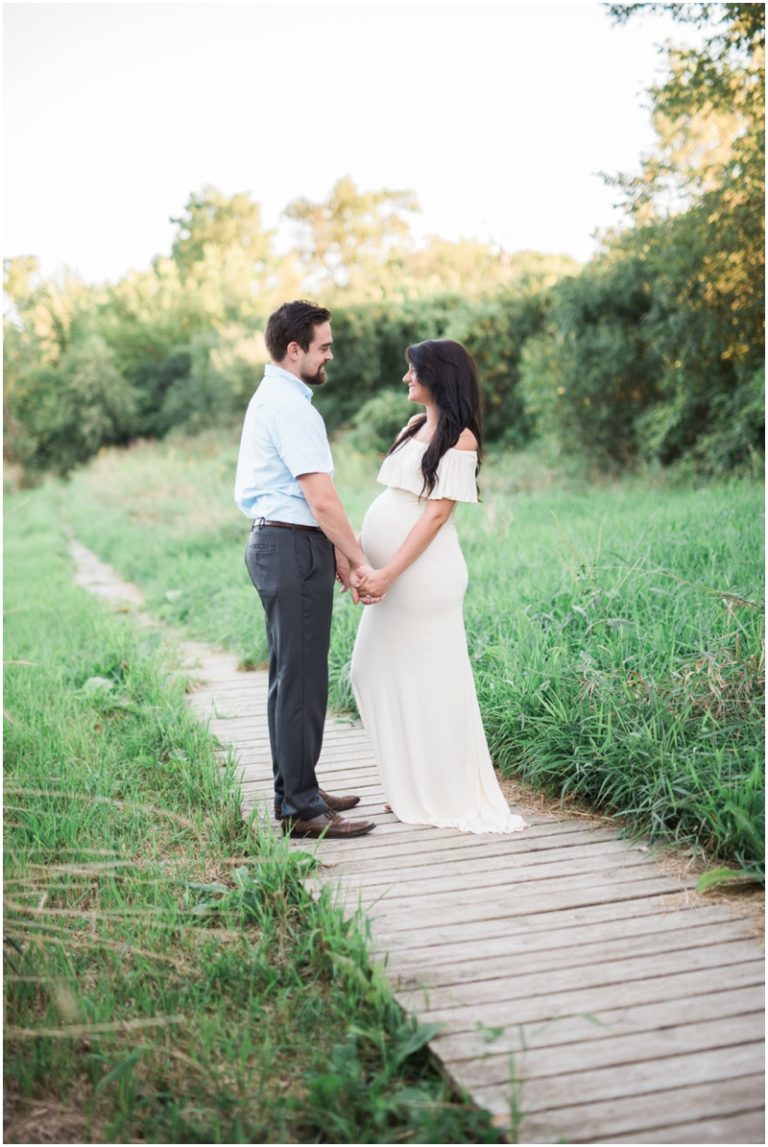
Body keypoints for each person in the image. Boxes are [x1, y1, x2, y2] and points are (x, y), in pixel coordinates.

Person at [350, 339, 527, 834]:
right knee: (369, 671)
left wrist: (386, 573)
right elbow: (393, 499)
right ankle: (410, 784)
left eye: (413, 371)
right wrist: (355, 553)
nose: (407, 378)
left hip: (424, 579)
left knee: (433, 682)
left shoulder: (460, 438)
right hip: (396, 575)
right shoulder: (412, 427)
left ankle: (435, 790)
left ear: (437, 376)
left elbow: (434, 516)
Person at [235, 300, 378, 839]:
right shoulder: (292, 406)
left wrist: (337, 553)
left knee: (296, 677)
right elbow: (319, 498)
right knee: (300, 681)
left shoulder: (274, 396)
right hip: (290, 547)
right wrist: (359, 560)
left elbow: (307, 501)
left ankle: (299, 789)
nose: (329, 356)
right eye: (323, 347)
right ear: (294, 350)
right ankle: (300, 809)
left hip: (289, 543)